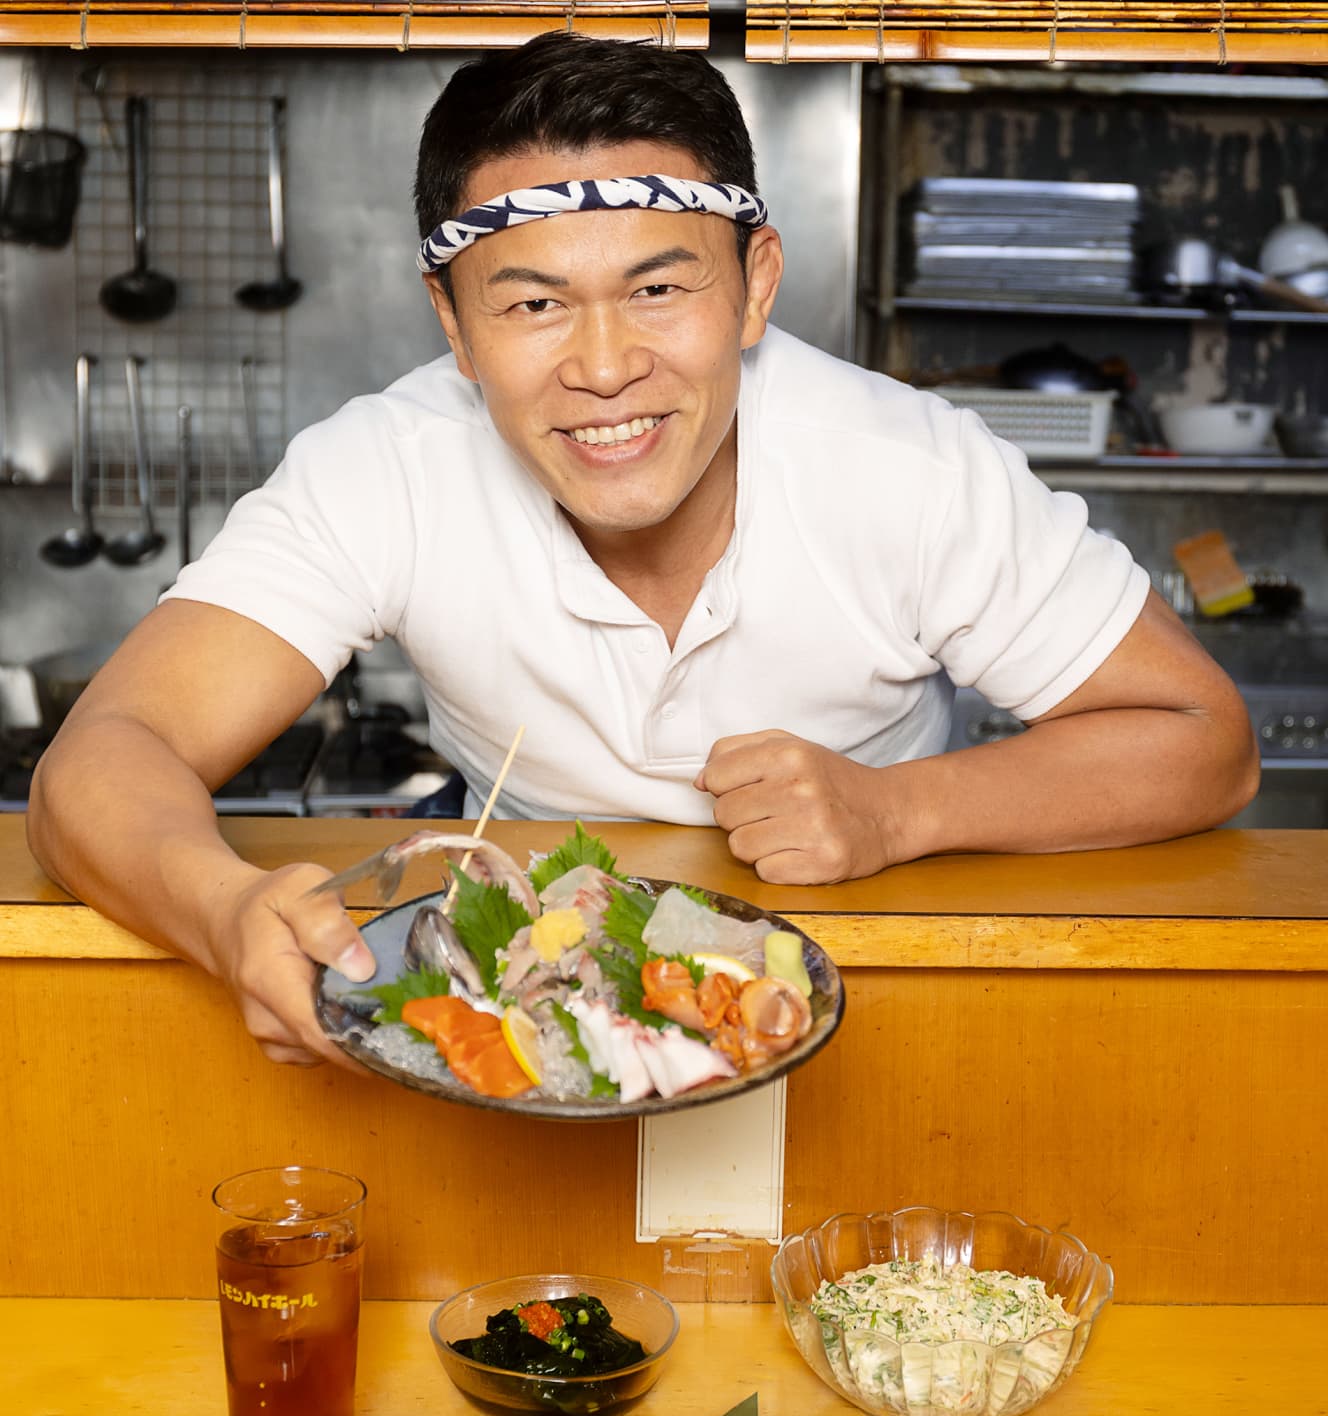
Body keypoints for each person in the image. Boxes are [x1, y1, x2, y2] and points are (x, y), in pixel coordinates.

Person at [27, 35, 1258, 1071]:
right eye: (530, 303)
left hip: (868, 977)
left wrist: (895, 809)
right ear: (451, 323)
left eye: (659, 291)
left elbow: (1203, 744)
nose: (605, 367)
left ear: (755, 284)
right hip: (526, 990)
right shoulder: (384, 467)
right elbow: (102, 757)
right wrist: (222, 905)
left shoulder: (908, 469)